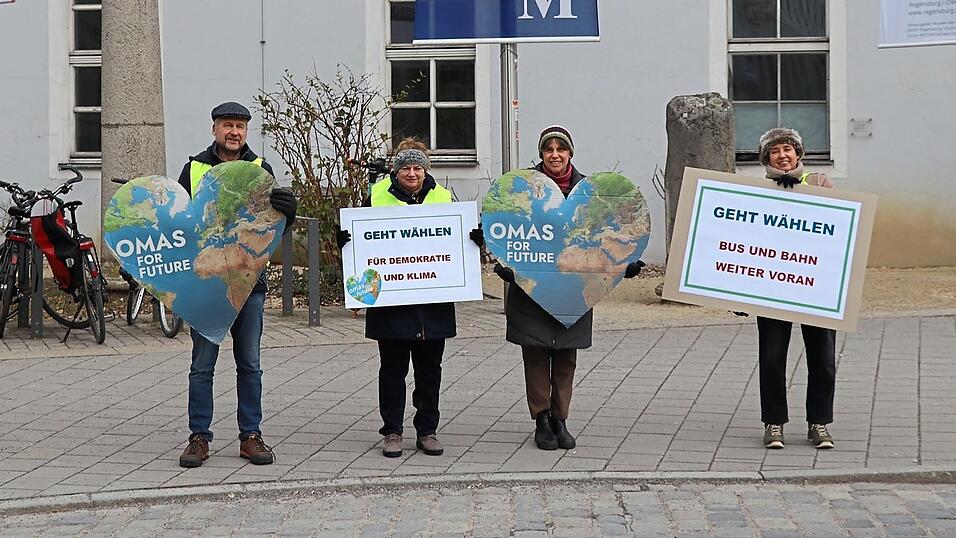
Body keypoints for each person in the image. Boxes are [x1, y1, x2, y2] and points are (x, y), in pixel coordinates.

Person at [490, 126, 644, 450]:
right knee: (534, 354)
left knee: (565, 357)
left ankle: (561, 418)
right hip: (531, 289)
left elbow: (607, 237)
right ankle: (541, 419)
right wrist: (508, 265)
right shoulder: (522, 189)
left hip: (574, 290)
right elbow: (505, 229)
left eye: (561, 149)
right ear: (542, 154)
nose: (555, 154)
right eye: (549, 149)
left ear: (570, 153)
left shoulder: (591, 193)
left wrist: (623, 266)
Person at [176, 101, 298, 468]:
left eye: (240, 126)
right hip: (206, 283)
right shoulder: (194, 169)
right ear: (214, 129)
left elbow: (270, 229)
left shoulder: (261, 170)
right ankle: (199, 437)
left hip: (250, 283)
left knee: (250, 363)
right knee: (202, 366)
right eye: (227, 125)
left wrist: (287, 213)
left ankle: (251, 435)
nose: (234, 132)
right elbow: (179, 224)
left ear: (247, 131)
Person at [336, 138, 457, 458]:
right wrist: (345, 241)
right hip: (391, 303)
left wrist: (473, 239)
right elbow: (359, 243)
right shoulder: (375, 197)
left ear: (426, 170)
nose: (412, 173)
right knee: (392, 369)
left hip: (433, 302)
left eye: (418, 167)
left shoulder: (444, 197)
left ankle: (427, 430)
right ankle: (392, 431)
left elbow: (457, 239)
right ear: (396, 171)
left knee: (430, 370)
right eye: (406, 168)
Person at [754, 127, 836, 450]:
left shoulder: (820, 184)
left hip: (816, 288)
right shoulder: (753, 192)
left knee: (823, 357)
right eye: (776, 150)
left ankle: (819, 423)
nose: (783, 155)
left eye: (788, 148)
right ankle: (773, 423)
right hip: (772, 287)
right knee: (772, 355)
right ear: (767, 158)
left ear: (798, 155)